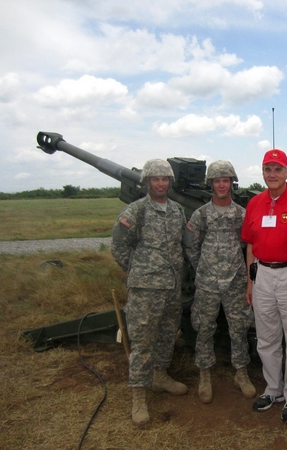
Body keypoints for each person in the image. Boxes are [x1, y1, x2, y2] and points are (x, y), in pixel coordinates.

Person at [111, 159, 188, 427]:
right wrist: (138, 273)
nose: (160, 183)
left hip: (172, 286)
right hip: (146, 289)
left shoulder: (177, 211)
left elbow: (182, 244)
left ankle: (160, 376)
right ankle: (139, 395)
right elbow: (119, 246)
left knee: (168, 333)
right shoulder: (137, 211)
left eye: (165, 179)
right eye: (155, 179)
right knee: (143, 342)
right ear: (147, 182)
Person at [241, 149, 287, 423]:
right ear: (262, 173)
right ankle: (274, 389)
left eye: (278, 169)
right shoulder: (255, 203)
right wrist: (251, 281)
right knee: (267, 337)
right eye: (268, 169)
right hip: (262, 274)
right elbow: (250, 244)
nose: (272, 174)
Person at [183, 160, 256, 404]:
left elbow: (249, 247)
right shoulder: (201, 214)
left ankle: (241, 373)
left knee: (239, 328)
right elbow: (192, 247)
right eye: (217, 181)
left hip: (235, 281)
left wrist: (245, 278)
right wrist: (205, 270)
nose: (222, 185)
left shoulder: (241, 214)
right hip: (207, 283)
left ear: (231, 183)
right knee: (204, 327)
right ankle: (205, 374)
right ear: (211, 184)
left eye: (226, 180)